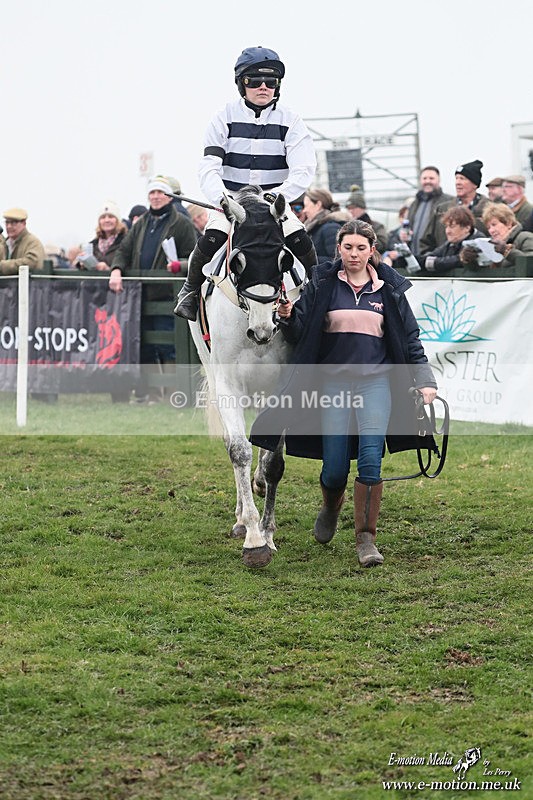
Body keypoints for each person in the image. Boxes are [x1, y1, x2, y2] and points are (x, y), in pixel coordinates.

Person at [251, 219, 437, 567]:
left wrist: (425, 380)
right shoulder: (322, 283)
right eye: (348, 247)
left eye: (361, 248)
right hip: (332, 386)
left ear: (372, 250)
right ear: (339, 248)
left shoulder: (388, 288)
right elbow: (299, 334)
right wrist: (288, 317)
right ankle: (331, 505)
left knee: (370, 458)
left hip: (376, 384)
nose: (354, 254)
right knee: (334, 468)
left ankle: (366, 539)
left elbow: (411, 339)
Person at [174, 46, 317, 320]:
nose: (263, 87)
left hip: (273, 204)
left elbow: (304, 169)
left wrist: (277, 197)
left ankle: (319, 293)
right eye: (254, 82)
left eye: (271, 82)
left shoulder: (292, 121)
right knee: (212, 237)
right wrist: (222, 199)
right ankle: (190, 291)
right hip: (233, 202)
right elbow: (209, 166)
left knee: (300, 239)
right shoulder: (223, 117)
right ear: (242, 84)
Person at [109, 175, 196, 403]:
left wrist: (180, 266)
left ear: (169, 196)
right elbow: (123, 251)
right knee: (147, 345)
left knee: (169, 346)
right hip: (141, 295)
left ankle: (173, 394)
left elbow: (197, 255)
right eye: (152, 193)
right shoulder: (141, 224)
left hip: (168, 296)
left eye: (161, 192)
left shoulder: (182, 224)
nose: (156, 197)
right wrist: (117, 269)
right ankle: (153, 394)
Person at [419, 160, 489, 253]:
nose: (458, 182)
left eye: (462, 178)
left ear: (475, 184)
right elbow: (426, 242)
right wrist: (431, 260)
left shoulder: (489, 210)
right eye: (457, 178)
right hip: (445, 265)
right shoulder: (442, 210)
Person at [461, 202, 533, 269]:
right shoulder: (488, 244)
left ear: (508, 223)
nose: (491, 231)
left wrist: (507, 252)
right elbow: (481, 271)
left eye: (494, 224)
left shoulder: (526, 237)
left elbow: (530, 263)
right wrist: (469, 259)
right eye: (488, 227)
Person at [403, 166, 453, 257]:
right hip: (415, 256)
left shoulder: (449, 202)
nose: (427, 181)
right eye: (424, 178)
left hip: (438, 257)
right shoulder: (414, 204)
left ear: (439, 180)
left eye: (431, 178)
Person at [418, 206, 483, 274]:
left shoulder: (478, 242)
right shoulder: (450, 244)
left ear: (467, 228)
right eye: (446, 226)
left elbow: (465, 261)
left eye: (452, 226)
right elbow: (431, 256)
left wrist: (431, 262)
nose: (447, 231)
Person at [77, 201, 128, 271]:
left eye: (111, 217)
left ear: (117, 221)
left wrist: (108, 269)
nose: (107, 220)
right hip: (95, 282)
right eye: (103, 217)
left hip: (116, 281)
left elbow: (129, 266)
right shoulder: (92, 245)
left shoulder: (126, 242)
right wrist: (82, 264)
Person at [303, 188, 347, 263]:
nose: (304, 210)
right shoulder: (315, 227)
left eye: (306, 206)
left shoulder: (330, 228)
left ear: (318, 205)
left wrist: (309, 260)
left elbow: (337, 260)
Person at [0, 208, 45, 274]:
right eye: (7, 222)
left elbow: (32, 262)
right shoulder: (5, 243)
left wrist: (3, 266)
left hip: (26, 283)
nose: (9, 226)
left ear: (24, 223)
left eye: (13, 223)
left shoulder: (33, 242)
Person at [344, 185, 388, 252]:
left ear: (363, 208)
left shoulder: (376, 226)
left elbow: (382, 246)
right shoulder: (344, 226)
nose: (350, 211)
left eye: (353, 207)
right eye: (348, 208)